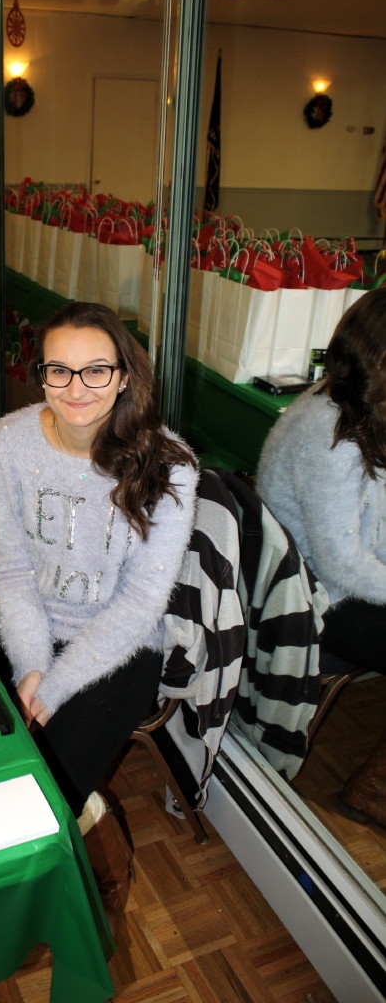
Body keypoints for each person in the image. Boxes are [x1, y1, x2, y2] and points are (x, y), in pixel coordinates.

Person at [0, 302, 197, 933]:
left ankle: (85, 890)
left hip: (119, 648)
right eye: (59, 371)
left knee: (41, 795)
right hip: (30, 630)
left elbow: (139, 605)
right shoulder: (6, 445)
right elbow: (14, 571)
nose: (76, 390)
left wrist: (56, 686)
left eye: (96, 371)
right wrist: (31, 666)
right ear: (40, 374)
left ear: (126, 376)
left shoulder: (170, 465)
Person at [257, 286, 386, 828]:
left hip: (349, 579)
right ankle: (372, 790)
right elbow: (340, 561)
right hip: (315, 595)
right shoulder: (328, 430)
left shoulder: (362, 408)